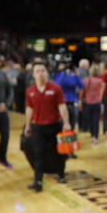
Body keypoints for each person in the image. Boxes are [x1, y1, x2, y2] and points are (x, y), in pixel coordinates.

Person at [23, 61, 71, 192]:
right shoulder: (30, 91)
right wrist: (28, 125)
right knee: (38, 154)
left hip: (55, 126)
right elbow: (29, 109)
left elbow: (62, 106)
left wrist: (66, 123)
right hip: (38, 127)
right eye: (37, 71)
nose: (40, 73)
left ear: (47, 73)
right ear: (33, 74)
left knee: (58, 152)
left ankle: (61, 175)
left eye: (43, 70)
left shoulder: (56, 89)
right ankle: (38, 181)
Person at [84, 65, 105, 144]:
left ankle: (92, 134)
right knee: (96, 120)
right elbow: (101, 91)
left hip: (88, 102)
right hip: (97, 102)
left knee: (90, 120)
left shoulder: (86, 80)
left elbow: (83, 91)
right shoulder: (100, 81)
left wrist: (80, 99)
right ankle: (95, 137)